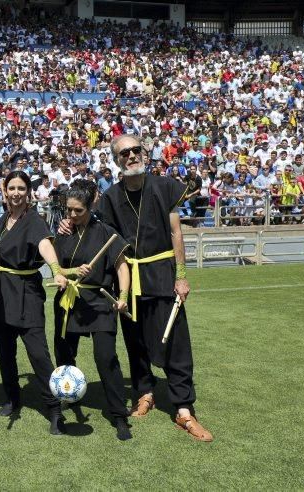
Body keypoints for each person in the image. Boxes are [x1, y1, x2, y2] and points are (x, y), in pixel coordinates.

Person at [88, 134, 213, 442]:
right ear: (117, 161)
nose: (131, 156)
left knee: (176, 343)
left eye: (135, 150)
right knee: (135, 341)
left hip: (162, 273)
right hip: (129, 279)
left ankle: (184, 409)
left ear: (143, 153)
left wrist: (181, 275)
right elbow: (99, 233)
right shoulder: (110, 198)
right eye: (124, 153)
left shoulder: (165, 186)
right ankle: (145, 391)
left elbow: (176, 233)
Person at [0, 170, 68, 435]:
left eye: (21, 188)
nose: (16, 193)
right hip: (2, 294)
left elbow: (45, 245)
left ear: (28, 192)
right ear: (4, 191)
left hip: (27, 293)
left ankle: (54, 409)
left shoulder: (34, 220)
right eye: (12, 188)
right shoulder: (4, 219)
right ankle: (12, 398)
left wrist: (56, 270)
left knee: (39, 354)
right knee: (5, 353)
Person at [53, 180, 133, 441]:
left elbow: (122, 267)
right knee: (65, 355)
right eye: (69, 210)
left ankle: (119, 414)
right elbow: (57, 269)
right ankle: (67, 397)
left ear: (91, 205)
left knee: (105, 357)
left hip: (100, 302)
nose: (72, 215)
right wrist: (68, 274)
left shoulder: (106, 233)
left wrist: (122, 297)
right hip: (70, 300)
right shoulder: (64, 232)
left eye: (78, 210)